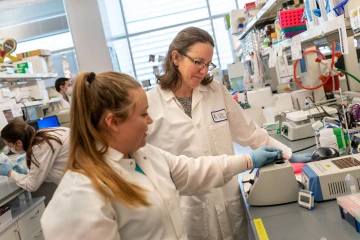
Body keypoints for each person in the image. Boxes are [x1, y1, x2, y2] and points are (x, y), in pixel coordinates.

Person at [40, 71, 282, 240]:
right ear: (113, 122)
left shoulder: (143, 155)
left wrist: (250, 160)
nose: (150, 120)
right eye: (143, 114)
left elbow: (192, 171)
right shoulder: (79, 196)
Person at [146, 27, 312, 240]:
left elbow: (249, 132)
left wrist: (287, 154)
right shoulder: (151, 104)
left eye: (208, 64)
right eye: (198, 62)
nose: (204, 71)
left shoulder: (215, 91)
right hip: (188, 210)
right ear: (176, 58)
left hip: (228, 199)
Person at [0, 121, 70, 191]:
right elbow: (44, 171)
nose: (9, 148)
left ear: (18, 142)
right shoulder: (43, 134)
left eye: (9, 146)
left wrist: (10, 172)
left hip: (77, 182)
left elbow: (31, 185)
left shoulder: (40, 146)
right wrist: (27, 172)